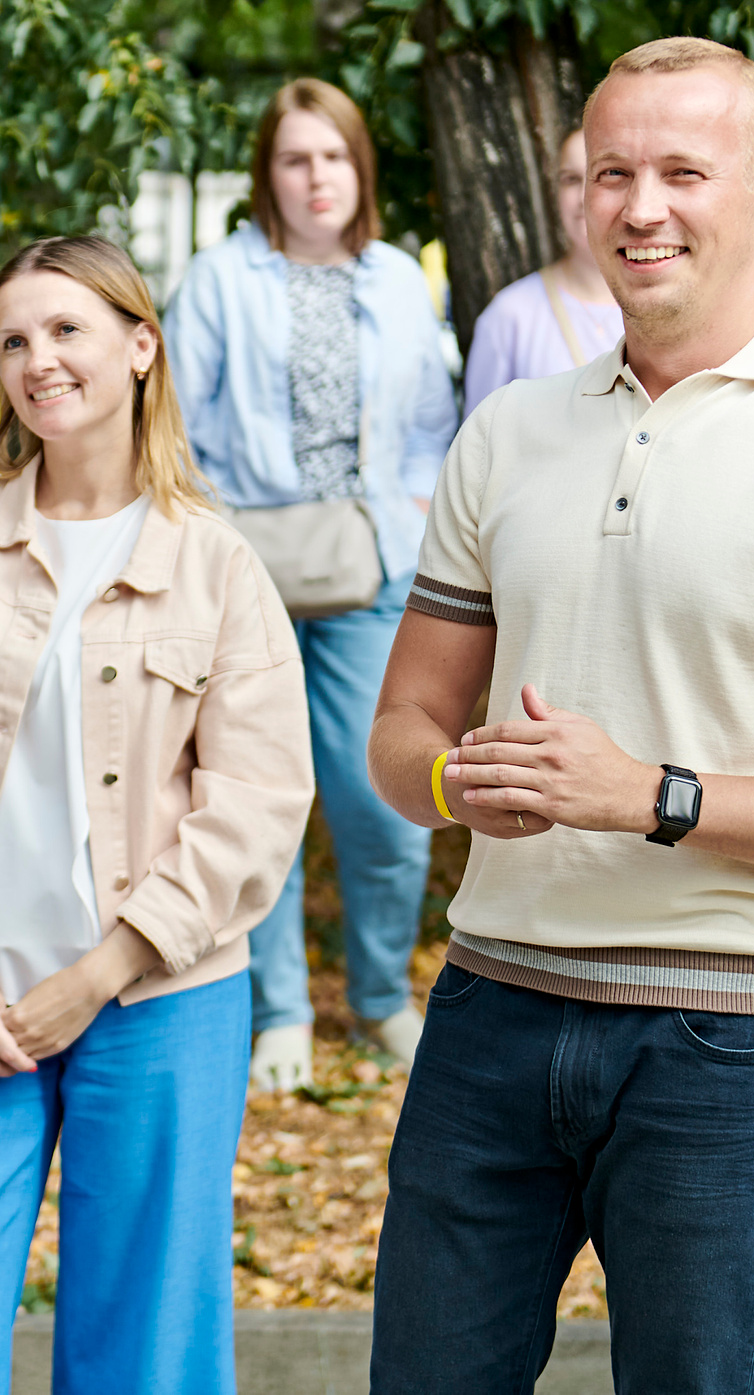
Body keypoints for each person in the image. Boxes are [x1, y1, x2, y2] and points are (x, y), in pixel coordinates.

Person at [366, 37, 754, 1393]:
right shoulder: (506, 432)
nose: (639, 206)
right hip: (487, 1007)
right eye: (612, 173)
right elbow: (403, 726)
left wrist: (650, 796)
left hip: (721, 1033)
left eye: (682, 173)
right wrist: (457, 785)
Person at [0, 235, 312, 1395]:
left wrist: (98, 975)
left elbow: (255, 808)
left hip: (157, 1000)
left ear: (140, 347)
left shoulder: (217, 566)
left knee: (143, 1348)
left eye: (65, 330)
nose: (37, 360)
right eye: (14, 340)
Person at [166, 77, 457, 1092]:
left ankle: (378, 998)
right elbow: (174, 424)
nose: (316, 177)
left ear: (359, 169)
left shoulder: (396, 280)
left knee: (385, 799)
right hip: (246, 569)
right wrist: (213, 532)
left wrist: (411, 506)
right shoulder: (219, 279)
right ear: (268, 175)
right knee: (256, 799)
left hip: (369, 566)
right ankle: (280, 1010)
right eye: (296, 159)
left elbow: (432, 422)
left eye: (333, 156)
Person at [461, 127, 623, 411]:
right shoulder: (511, 316)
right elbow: (479, 434)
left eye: (605, 175)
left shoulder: (664, 305)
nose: (583, 196)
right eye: (571, 179)